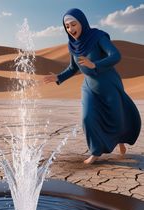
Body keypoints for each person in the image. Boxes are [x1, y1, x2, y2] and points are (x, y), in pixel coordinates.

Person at [44, 8, 141, 164]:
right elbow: (73, 68)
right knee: (87, 118)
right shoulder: (73, 46)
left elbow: (116, 55)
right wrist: (58, 77)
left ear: (82, 22)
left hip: (108, 83)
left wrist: (94, 64)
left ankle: (121, 140)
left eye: (73, 24)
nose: (71, 29)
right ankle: (95, 152)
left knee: (115, 117)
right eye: (67, 26)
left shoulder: (98, 37)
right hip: (90, 86)